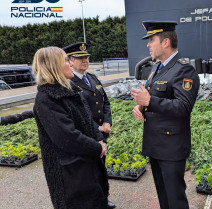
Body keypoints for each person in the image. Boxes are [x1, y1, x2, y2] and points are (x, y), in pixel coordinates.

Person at [131, 21, 200, 209]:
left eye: (151, 40)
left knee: (175, 198)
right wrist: (141, 107)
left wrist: (149, 101)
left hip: (171, 147)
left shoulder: (184, 70)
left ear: (166, 42)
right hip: (155, 144)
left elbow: (183, 107)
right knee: (163, 196)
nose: (148, 44)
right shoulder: (156, 68)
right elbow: (155, 98)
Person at [32, 47, 109, 209]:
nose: (71, 64)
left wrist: (100, 140)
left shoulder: (71, 91)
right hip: (71, 173)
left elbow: (88, 120)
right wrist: (97, 147)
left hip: (86, 165)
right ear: (54, 67)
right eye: (66, 61)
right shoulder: (47, 99)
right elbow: (67, 137)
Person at [62, 42, 115, 209]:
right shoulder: (68, 84)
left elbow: (105, 102)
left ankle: (103, 198)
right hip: (86, 134)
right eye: (80, 58)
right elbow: (77, 114)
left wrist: (107, 122)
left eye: (86, 57)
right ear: (70, 61)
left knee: (101, 168)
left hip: (101, 133)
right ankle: (93, 202)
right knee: (88, 172)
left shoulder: (93, 78)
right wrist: (98, 128)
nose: (85, 60)